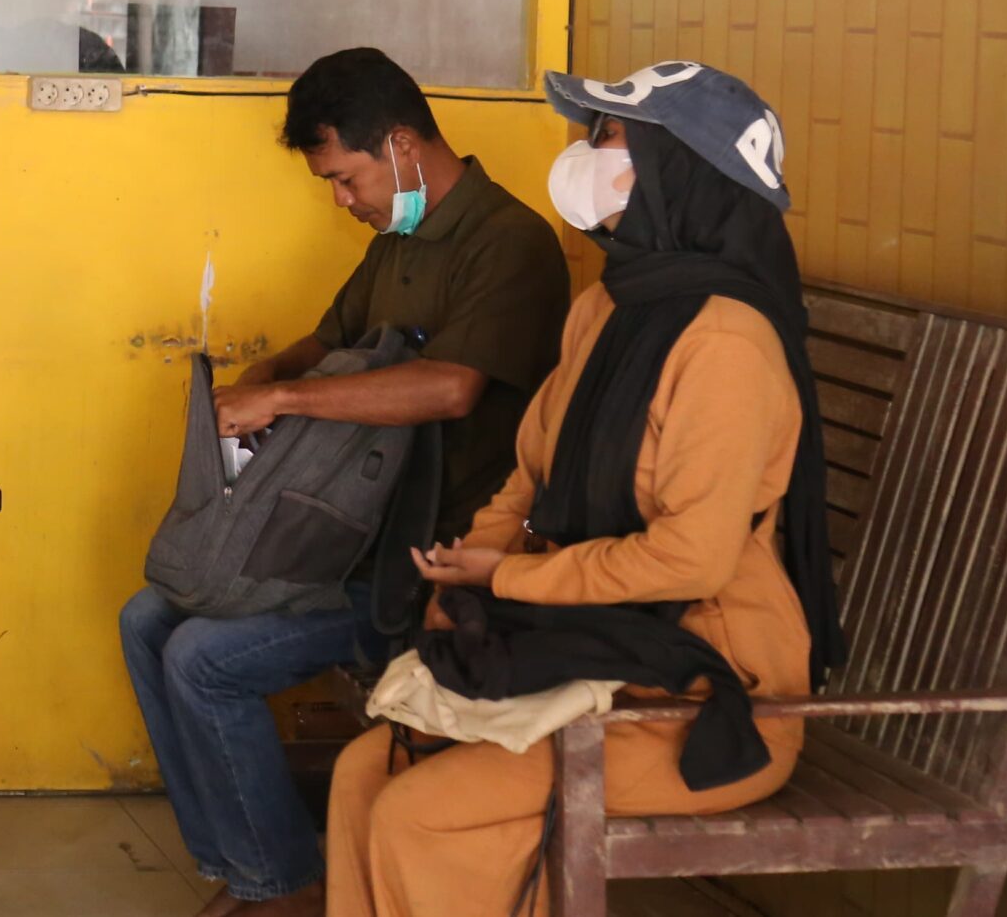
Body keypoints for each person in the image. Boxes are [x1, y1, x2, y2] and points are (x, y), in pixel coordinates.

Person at [328, 61, 841, 916]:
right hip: (591, 660)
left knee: (423, 814)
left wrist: (511, 577)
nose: (587, 153)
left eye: (610, 137)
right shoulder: (606, 308)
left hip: (703, 696)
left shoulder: (727, 344)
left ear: (678, 173)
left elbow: (692, 560)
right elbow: (529, 475)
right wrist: (465, 578)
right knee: (362, 773)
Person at [120, 47, 569, 917]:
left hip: (427, 567)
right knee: (148, 618)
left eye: (344, 177)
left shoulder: (510, 244)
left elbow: (452, 388)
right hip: (350, 539)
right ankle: (246, 869)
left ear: (400, 144)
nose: (340, 199)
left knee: (204, 660)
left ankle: (285, 892)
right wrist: (256, 382)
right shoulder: (397, 242)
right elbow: (325, 342)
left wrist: (287, 399)